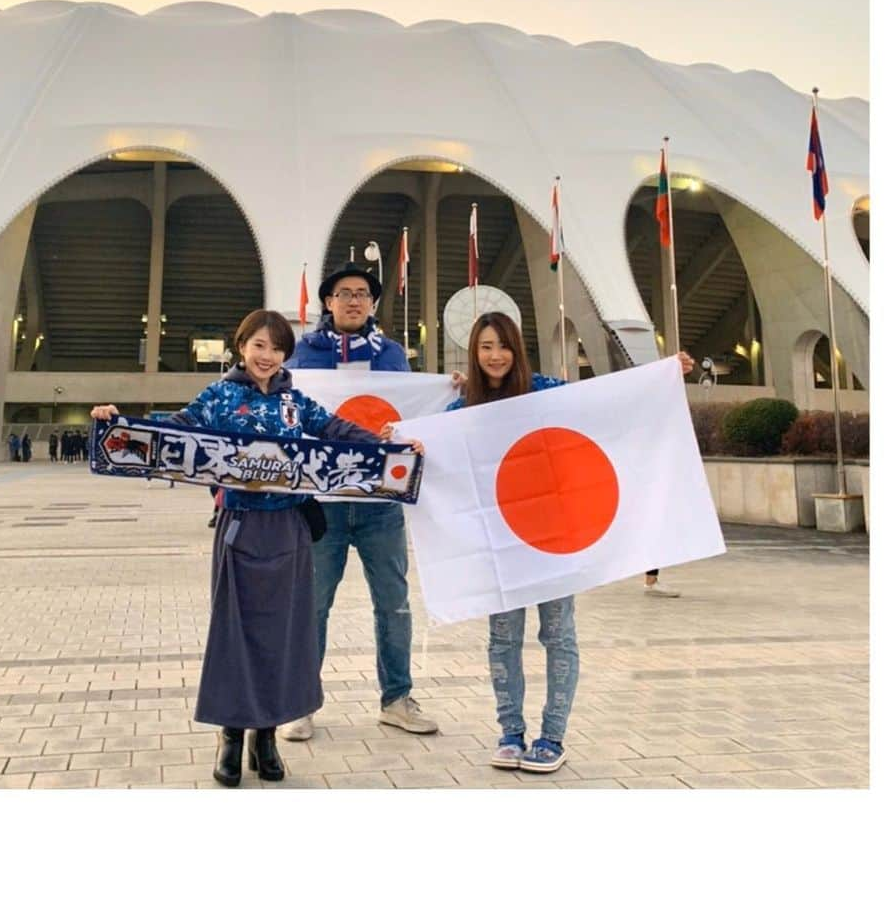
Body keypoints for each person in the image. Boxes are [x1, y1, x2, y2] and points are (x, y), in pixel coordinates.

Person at [90, 309, 424, 788]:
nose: (267, 356)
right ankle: (231, 735)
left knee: (284, 635)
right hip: (240, 528)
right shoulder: (220, 395)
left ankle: (265, 736)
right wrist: (118, 423)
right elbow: (175, 430)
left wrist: (390, 445)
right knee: (236, 634)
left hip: (289, 528)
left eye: (277, 347)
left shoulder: (294, 401)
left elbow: (336, 430)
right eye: (259, 345)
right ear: (241, 346)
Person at [445, 312, 694, 773]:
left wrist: (659, 376)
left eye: (503, 345)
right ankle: (510, 733)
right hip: (502, 545)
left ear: (517, 349)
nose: (495, 355)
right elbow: (437, 452)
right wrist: (403, 441)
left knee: (558, 635)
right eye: (485, 347)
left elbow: (603, 401)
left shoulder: (544, 390)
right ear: (474, 353)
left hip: (553, 539)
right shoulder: (464, 408)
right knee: (503, 639)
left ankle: (552, 736)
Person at [279, 262, 438, 742]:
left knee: (393, 604)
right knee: (312, 604)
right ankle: (300, 702)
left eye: (363, 293)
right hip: (322, 500)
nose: (353, 300)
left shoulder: (392, 355)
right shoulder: (302, 355)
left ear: (372, 303)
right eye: (344, 293)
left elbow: (411, 411)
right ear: (327, 302)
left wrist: (445, 392)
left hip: (380, 503)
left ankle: (396, 699)